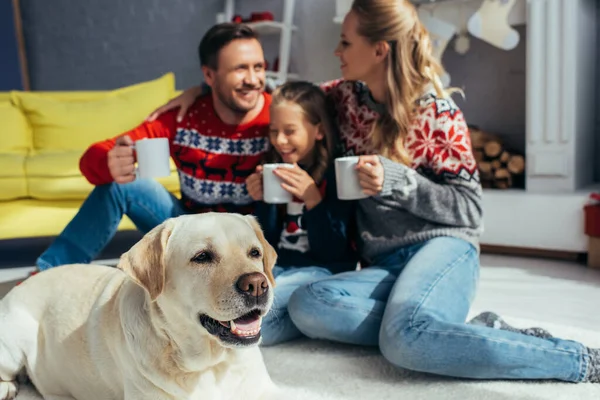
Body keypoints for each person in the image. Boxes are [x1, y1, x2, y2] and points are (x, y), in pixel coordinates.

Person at [146, 0, 600, 384]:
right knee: (304, 306)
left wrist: (399, 180)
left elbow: (470, 210)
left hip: (443, 247)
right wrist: (202, 91)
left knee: (402, 341)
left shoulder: (437, 113)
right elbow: (283, 100)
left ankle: (574, 359)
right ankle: (453, 332)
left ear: (379, 49)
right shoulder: (345, 100)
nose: (337, 50)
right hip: (380, 263)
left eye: (346, 42)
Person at [35, 23, 272, 271]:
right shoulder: (182, 116)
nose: (254, 80)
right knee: (121, 186)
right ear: (209, 76)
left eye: (258, 67)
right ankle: (48, 274)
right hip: (189, 230)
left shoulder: (279, 116)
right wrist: (110, 161)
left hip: (254, 238)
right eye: (240, 69)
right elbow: (94, 156)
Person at [246, 81, 357, 345]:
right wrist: (262, 200)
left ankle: (296, 316)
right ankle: (299, 322)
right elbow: (268, 241)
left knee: (260, 315)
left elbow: (336, 251)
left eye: (290, 131)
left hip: (323, 270)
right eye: (274, 131)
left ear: (318, 130)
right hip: (281, 266)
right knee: (248, 320)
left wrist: (313, 199)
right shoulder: (274, 168)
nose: (279, 140)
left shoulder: (335, 174)